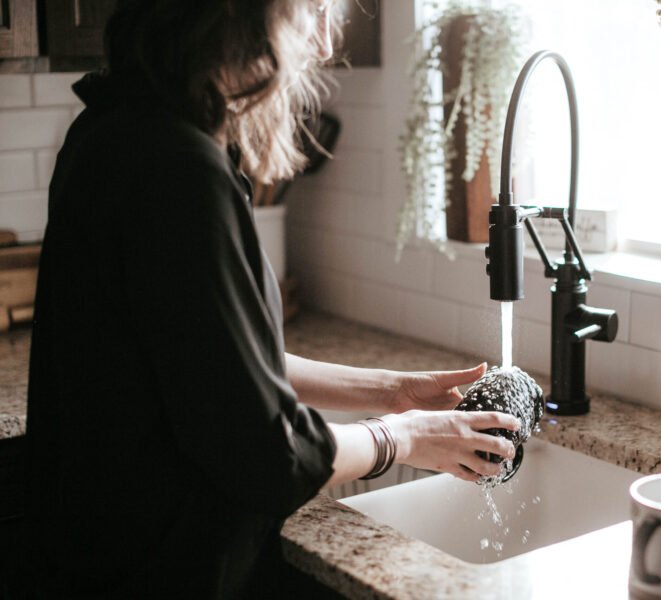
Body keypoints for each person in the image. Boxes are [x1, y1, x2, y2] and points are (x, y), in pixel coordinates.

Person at [22, 1, 518, 598]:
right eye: (309, 9)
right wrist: (402, 437)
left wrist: (390, 390)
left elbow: (215, 369)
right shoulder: (179, 170)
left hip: (96, 555)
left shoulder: (113, 128)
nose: (323, 37)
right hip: (157, 571)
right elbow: (267, 458)